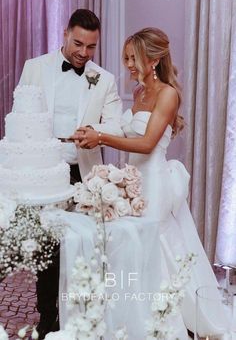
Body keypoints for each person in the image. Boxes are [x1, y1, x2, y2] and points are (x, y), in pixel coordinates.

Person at [58, 28, 222, 339]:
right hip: (131, 183)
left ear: (155, 58)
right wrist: (93, 132)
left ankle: (164, 324)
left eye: (135, 58)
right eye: (126, 58)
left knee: (157, 249)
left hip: (155, 183)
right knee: (136, 249)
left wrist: (102, 138)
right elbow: (124, 129)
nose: (129, 64)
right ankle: (137, 320)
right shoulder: (138, 93)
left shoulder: (167, 94)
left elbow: (147, 143)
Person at [18, 9, 123, 340]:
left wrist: (95, 130)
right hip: (44, 174)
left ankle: (84, 315)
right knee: (48, 251)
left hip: (83, 175)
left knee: (84, 247)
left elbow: (117, 123)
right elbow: (19, 113)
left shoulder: (104, 79)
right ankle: (48, 316)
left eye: (91, 47)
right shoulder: (34, 68)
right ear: (65, 34)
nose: (83, 53)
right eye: (78, 43)